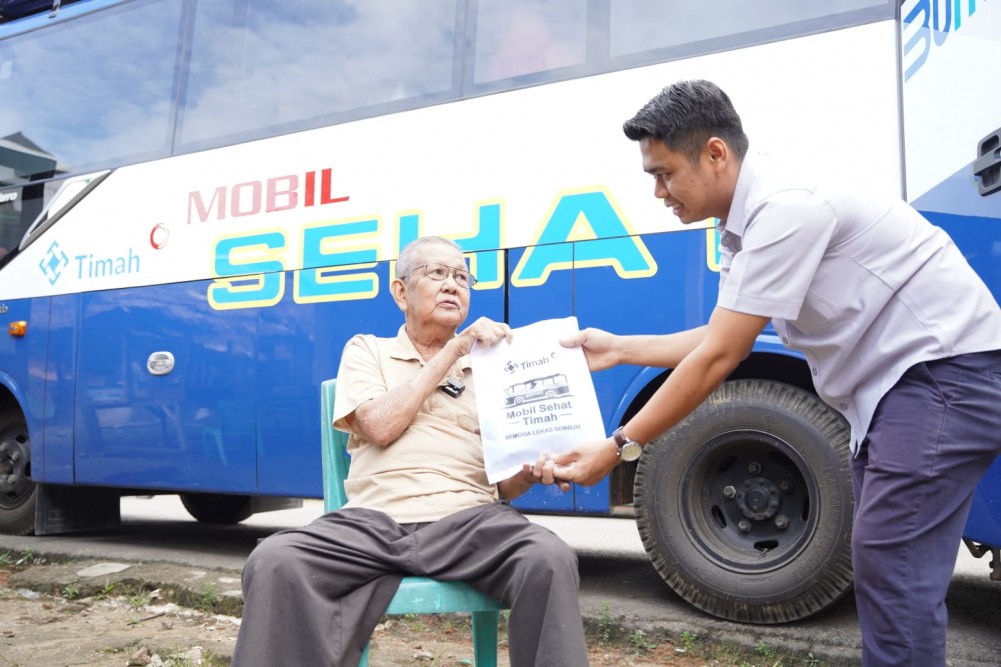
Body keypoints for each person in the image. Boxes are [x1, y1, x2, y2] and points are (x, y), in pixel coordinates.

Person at [552, 79, 1001, 667]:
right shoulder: (744, 223)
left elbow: (721, 356)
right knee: (891, 571)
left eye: (664, 174)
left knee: (893, 569)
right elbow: (722, 333)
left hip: (942, 378)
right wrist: (620, 349)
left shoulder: (785, 207)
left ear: (715, 153)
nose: (659, 192)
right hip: (905, 391)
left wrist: (617, 447)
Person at [233, 236, 589, 667]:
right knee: (274, 561)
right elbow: (380, 426)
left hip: (467, 520)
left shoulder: (494, 366)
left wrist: (531, 470)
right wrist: (455, 351)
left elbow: (503, 488)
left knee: (548, 558)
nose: (452, 286)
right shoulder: (368, 350)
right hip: (373, 523)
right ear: (401, 292)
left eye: (462, 277)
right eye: (436, 273)